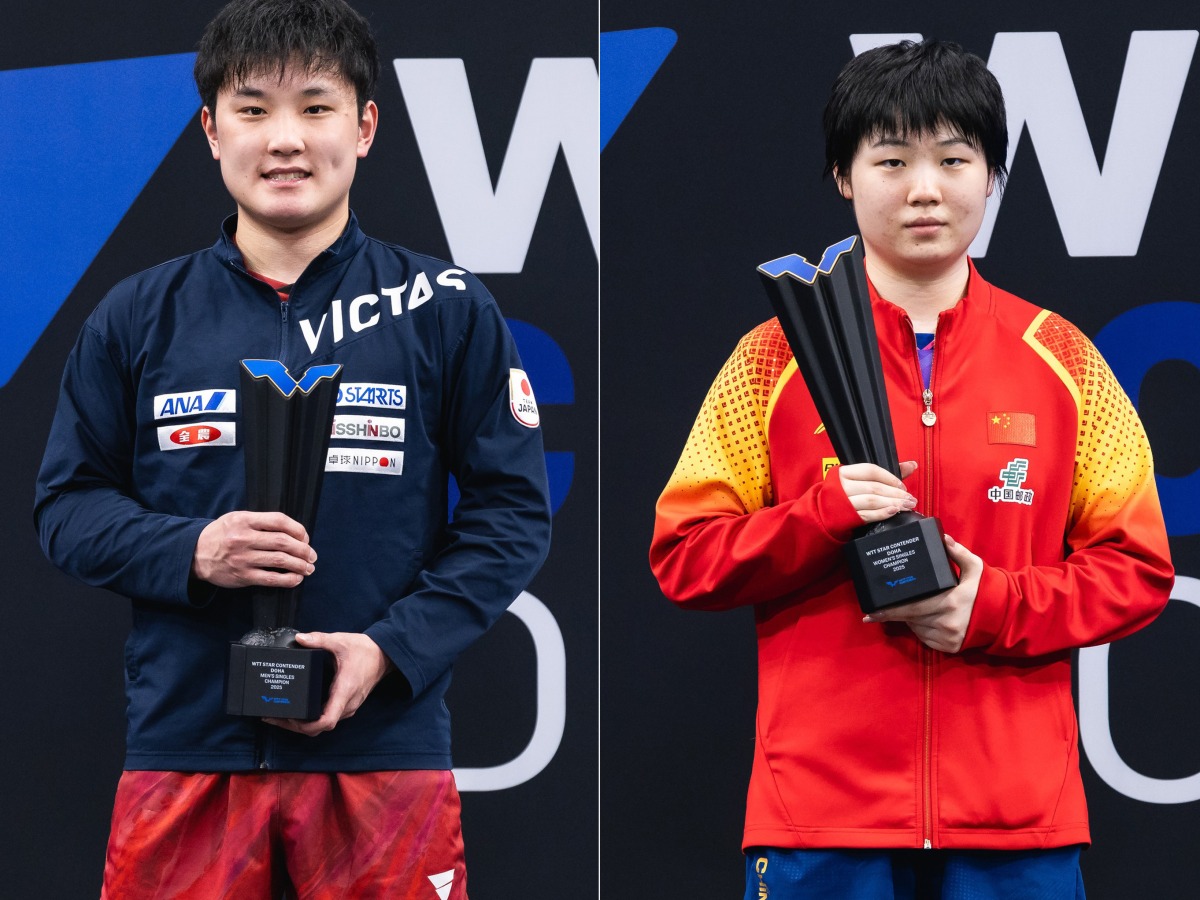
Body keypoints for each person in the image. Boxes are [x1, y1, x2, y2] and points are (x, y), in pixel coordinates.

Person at [34, 0, 550, 896]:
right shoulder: (136, 316)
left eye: (315, 107)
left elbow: (511, 516)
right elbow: (67, 507)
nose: (285, 140)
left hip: (381, 754)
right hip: (187, 750)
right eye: (252, 108)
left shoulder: (447, 307)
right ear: (209, 129)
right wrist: (191, 549)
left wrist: (386, 651)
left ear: (365, 125)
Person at [650, 39, 1172, 900]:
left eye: (953, 159)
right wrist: (818, 515)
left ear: (990, 176)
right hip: (819, 817)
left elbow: (1140, 569)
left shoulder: (1063, 359)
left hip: (1014, 822)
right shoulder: (770, 359)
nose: (924, 188)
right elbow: (683, 556)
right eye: (891, 160)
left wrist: (993, 606)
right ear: (844, 177)